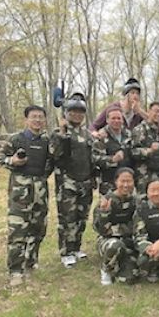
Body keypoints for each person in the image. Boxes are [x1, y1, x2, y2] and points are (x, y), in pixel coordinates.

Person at [0, 105, 53, 286]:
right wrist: (12, 161)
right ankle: (15, 270)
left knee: (38, 229)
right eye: (34, 117)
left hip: (40, 192)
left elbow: (52, 161)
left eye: (40, 117)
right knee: (18, 232)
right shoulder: (16, 139)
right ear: (26, 120)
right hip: (20, 194)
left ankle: (31, 261)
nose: (37, 120)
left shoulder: (47, 140)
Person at [50, 93, 95, 268]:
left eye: (80, 112)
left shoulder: (87, 134)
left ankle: (76, 247)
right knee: (67, 218)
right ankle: (66, 251)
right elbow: (54, 154)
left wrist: (94, 177)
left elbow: (92, 157)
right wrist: (62, 133)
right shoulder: (59, 132)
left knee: (81, 217)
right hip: (67, 182)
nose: (77, 115)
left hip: (85, 181)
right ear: (67, 112)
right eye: (73, 111)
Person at [93, 168, 138, 285]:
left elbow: (137, 225)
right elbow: (101, 230)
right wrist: (104, 213)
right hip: (107, 241)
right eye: (122, 181)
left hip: (128, 241)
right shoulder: (106, 201)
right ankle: (106, 269)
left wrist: (117, 229)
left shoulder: (135, 201)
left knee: (129, 278)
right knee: (115, 246)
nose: (126, 185)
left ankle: (120, 264)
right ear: (116, 182)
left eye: (129, 181)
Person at [92, 106, 133, 195]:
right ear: (107, 120)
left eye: (119, 118)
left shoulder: (128, 134)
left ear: (122, 120)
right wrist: (112, 159)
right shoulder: (101, 136)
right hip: (109, 182)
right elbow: (95, 159)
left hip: (126, 181)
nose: (116, 121)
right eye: (113, 118)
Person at [131, 101, 159, 197]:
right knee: (143, 206)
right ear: (149, 111)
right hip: (144, 177)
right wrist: (149, 151)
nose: (158, 114)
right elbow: (133, 152)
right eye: (156, 111)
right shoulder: (140, 129)